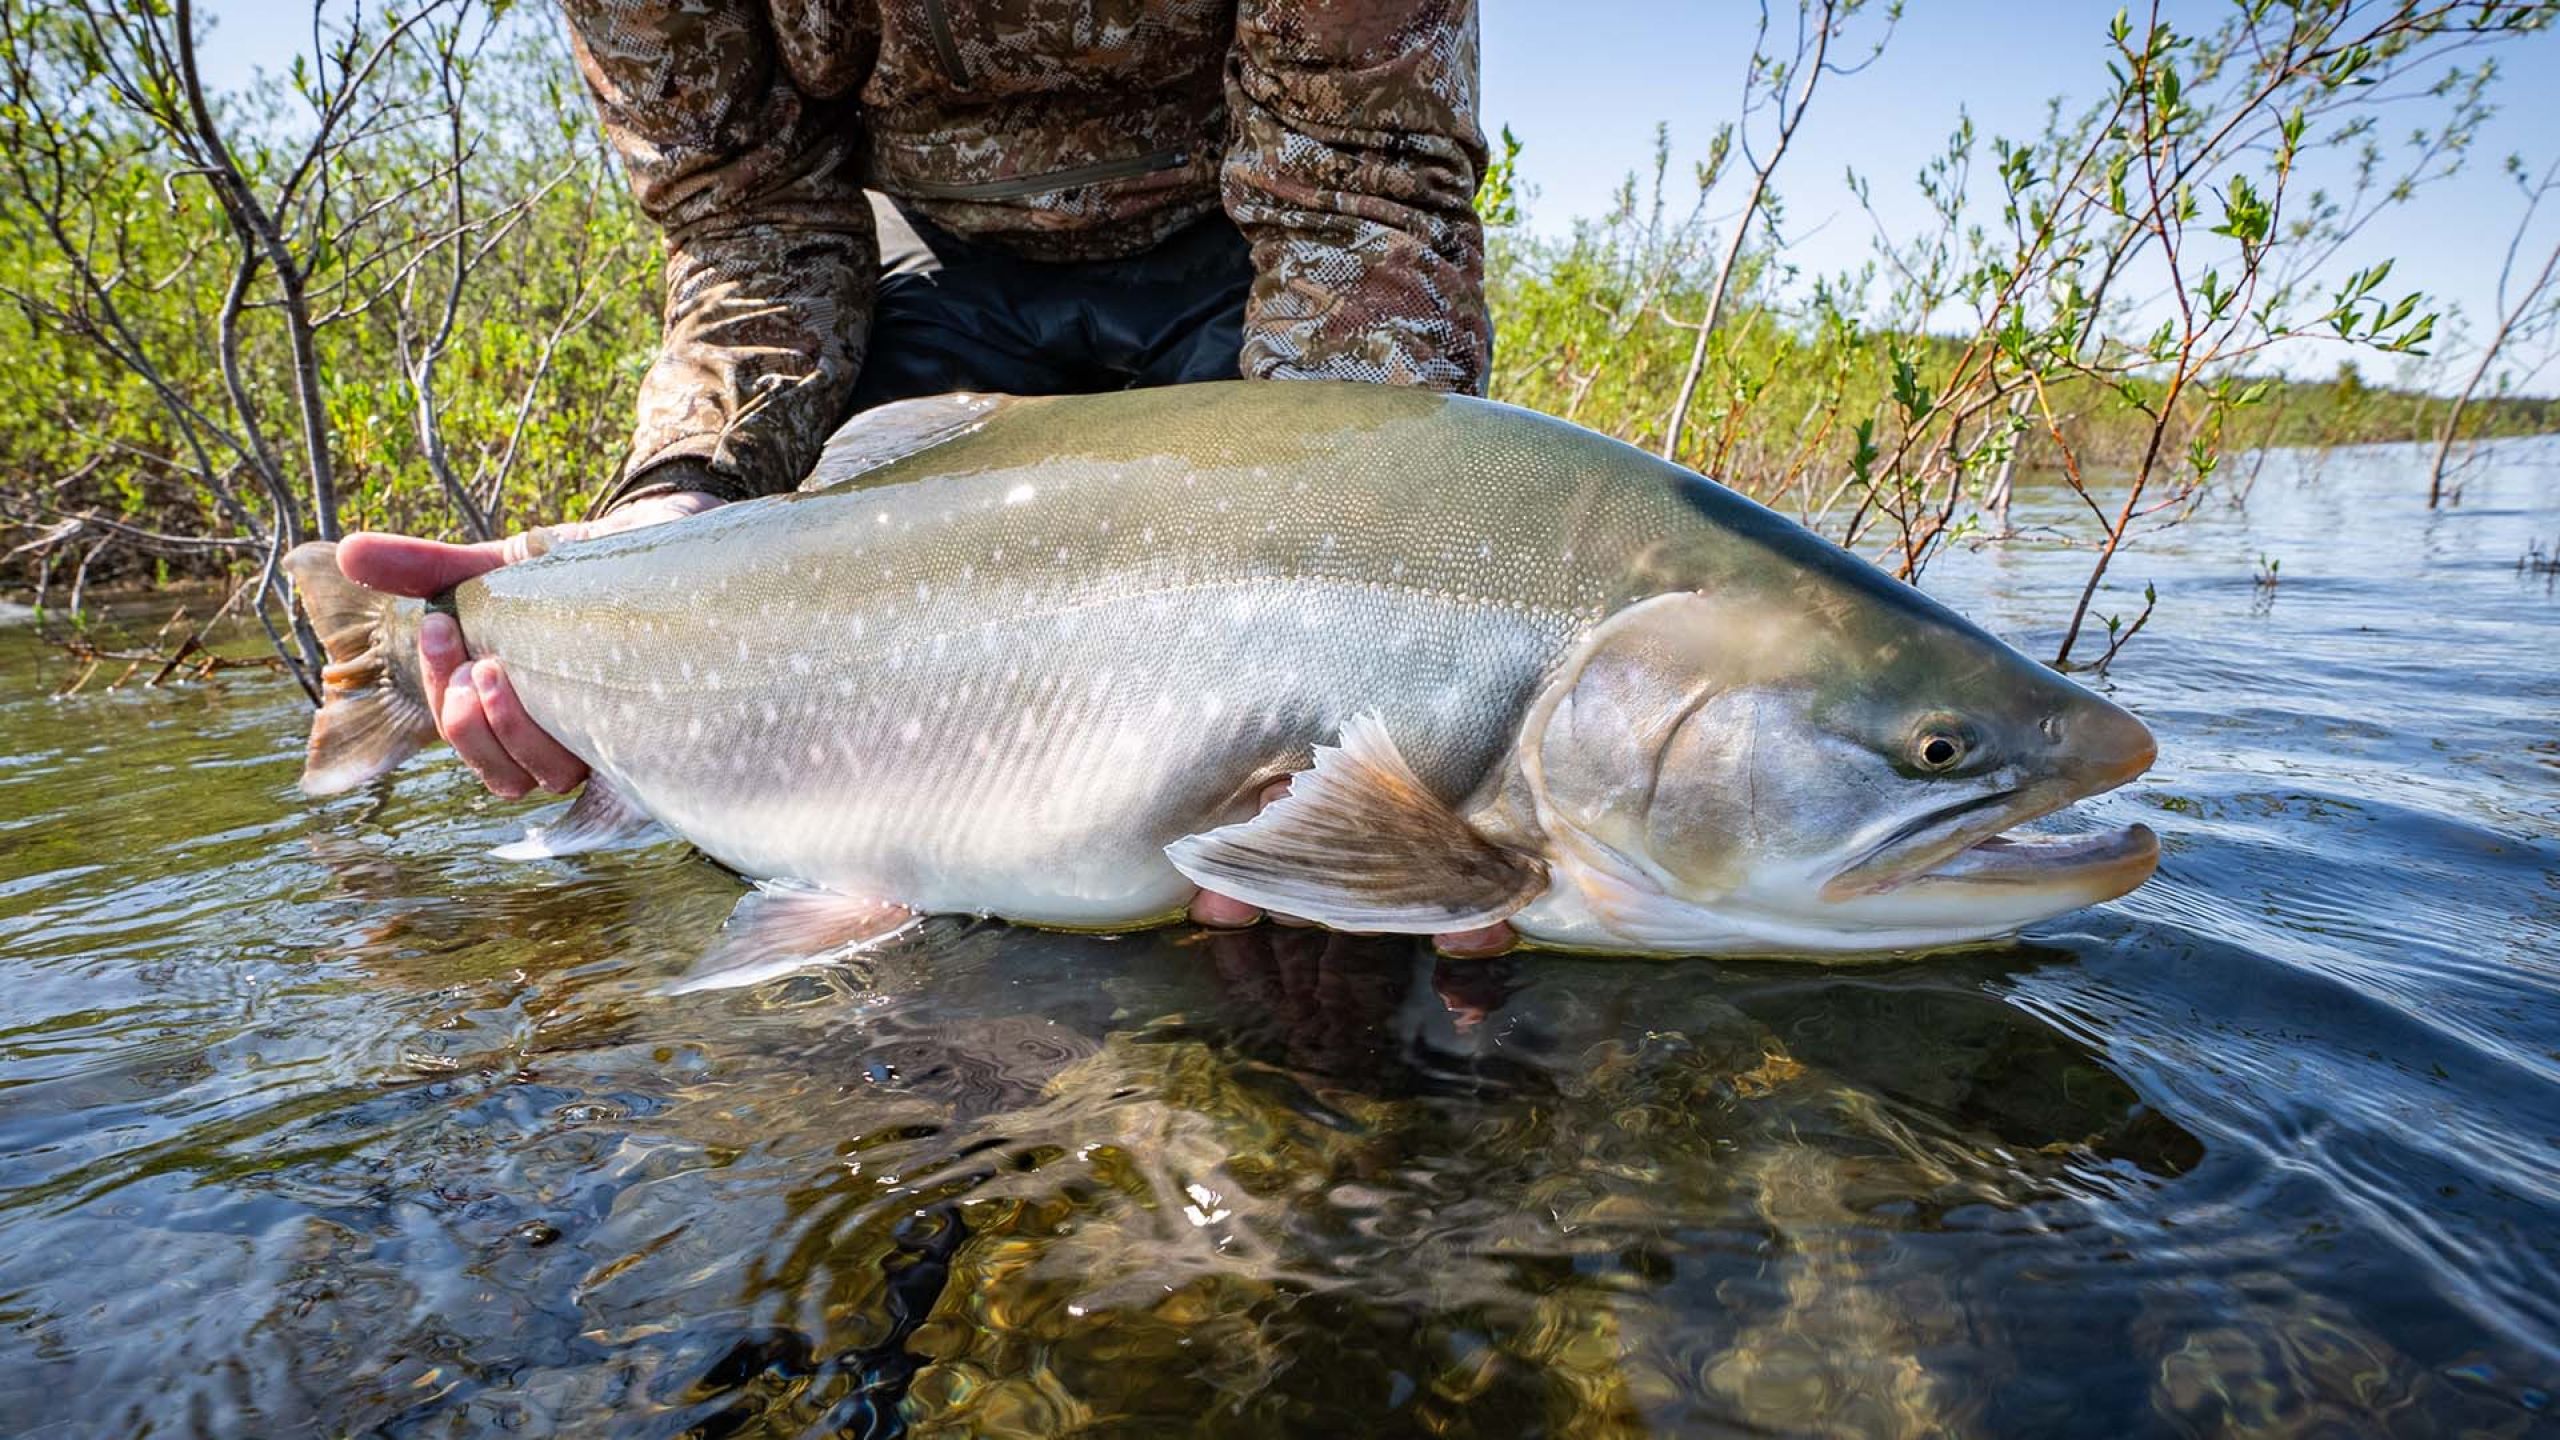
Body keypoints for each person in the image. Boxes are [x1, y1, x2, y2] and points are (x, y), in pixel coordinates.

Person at [334, 0, 1510, 954]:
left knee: (1349, 903)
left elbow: (1364, 190)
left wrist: (1345, 575)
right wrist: (676, 507)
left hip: (1254, 257)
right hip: (910, 267)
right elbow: (744, 223)